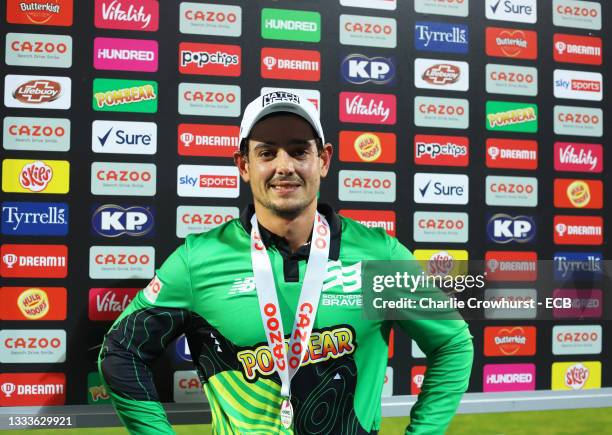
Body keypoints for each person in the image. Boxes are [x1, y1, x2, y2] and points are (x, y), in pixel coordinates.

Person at [98, 91, 474, 434]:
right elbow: (121, 351)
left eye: (299, 151)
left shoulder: (379, 255)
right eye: (266, 153)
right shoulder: (199, 259)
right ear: (243, 164)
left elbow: (453, 344)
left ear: (323, 160)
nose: (284, 166)